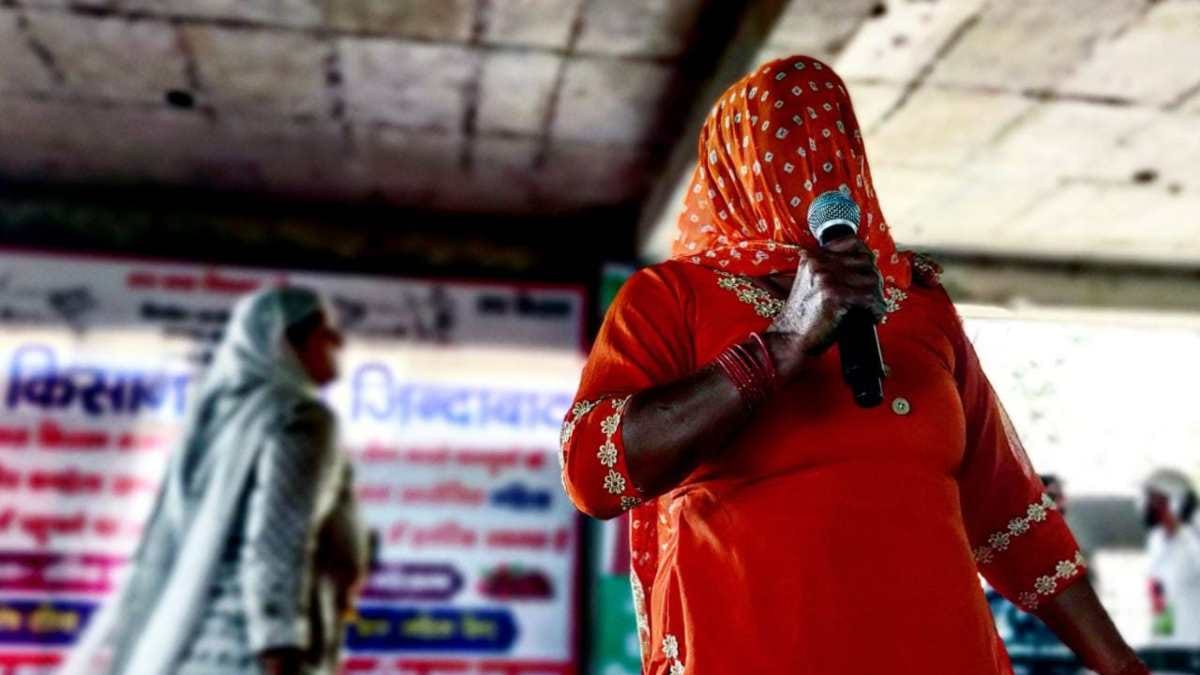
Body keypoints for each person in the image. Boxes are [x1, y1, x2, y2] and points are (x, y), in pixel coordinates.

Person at [559, 56, 1146, 674]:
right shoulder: (671, 297)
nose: (817, 169)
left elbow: (1008, 515)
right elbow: (593, 475)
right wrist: (781, 345)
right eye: (784, 147)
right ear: (732, 167)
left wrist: (1123, 668)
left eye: (833, 140)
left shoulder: (918, 304)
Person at [62, 287, 369, 675]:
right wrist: (280, 644)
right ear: (287, 342)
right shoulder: (300, 418)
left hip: (195, 642)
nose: (338, 341)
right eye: (324, 331)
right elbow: (279, 539)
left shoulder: (220, 418)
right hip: (252, 652)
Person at [1143, 468, 1200, 648]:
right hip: (1165, 642)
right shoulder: (1156, 541)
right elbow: (1157, 589)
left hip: (1193, 642)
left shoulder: (1194, 539)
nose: (1154, 507)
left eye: (1160, 501)